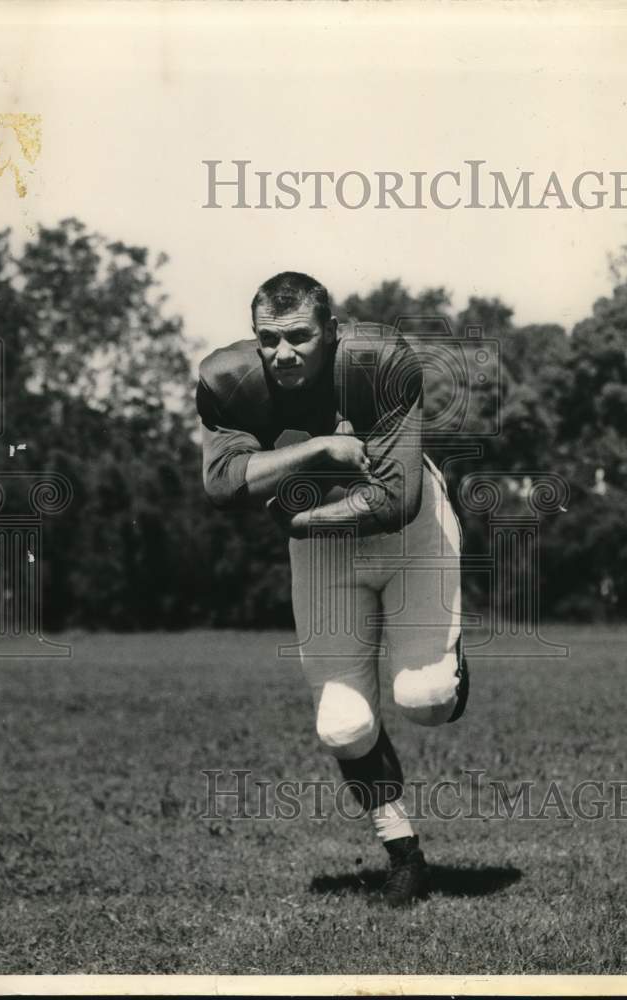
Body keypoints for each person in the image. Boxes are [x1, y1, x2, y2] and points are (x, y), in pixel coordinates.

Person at [197, 271, 468, 906]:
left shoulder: (379, 361)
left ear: (332, 332)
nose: (283, 354)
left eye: (299, 337)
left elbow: (395, 500)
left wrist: (299, 518)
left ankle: (451, 666)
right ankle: (403, 853)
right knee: (344, 728)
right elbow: (222, 484)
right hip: (322, 548)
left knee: (425, 698)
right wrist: (320, 447)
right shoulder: (227, 379)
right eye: (269, 339)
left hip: (410, 532)